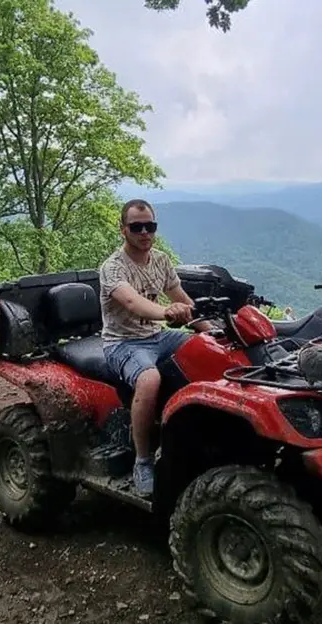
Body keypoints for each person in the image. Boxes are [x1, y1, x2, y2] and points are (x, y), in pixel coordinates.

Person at [99, 199, 211, 497]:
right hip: (123, 342)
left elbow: (181, 298)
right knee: (149, 379)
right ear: (123, 229)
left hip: (159, 336)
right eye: (137, 227)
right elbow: (133, 302)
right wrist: (167, 312)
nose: (144, 233)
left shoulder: (160, 260)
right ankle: (143, 460)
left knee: (208, 350)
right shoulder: (113, 267)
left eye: (150, 226)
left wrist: (212, 331)